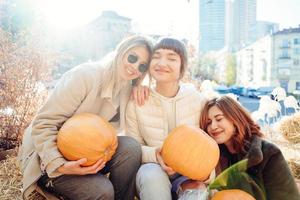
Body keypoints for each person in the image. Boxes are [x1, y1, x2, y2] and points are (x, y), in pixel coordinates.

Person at [18, 35, 153, 200]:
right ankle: (48, 183)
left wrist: (142, 87)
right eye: (132, 58)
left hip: (86, 155)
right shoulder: (84, 76)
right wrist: (60, 165)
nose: (134, 67)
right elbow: (44, 123)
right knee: (103, 191)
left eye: (142, 66)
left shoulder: (127, 88)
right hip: (50, 159)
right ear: (121, 51)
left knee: (131, 147)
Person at [125, 37, 207, 200]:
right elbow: (132, 147)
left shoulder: (199, 101)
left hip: (189, 174)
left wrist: (204, 175)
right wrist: (155, 155)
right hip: (153, 170)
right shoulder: (137, 101)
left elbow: (209, 146)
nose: (162, 63)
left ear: (182, 67)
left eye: (171, 58)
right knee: (151, 176)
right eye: (156, 57)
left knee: (196, 191)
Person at [173, 96, 300, 200]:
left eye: (219, 119)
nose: (213, 126)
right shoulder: (209, 156)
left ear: (235, 118)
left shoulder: (268, 152)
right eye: (208, 123)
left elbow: (287, 196)